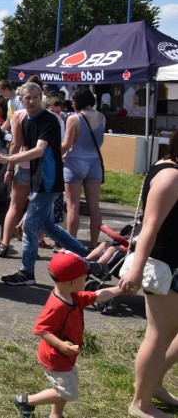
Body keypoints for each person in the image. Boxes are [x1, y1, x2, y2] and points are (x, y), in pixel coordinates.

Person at [0, 82, 89, 286]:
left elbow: (39, 149)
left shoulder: (48, 119)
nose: (33, 100)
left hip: (49, 178)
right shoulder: (24, 119)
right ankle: (87, 255)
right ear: (21, 99)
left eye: (36, 96)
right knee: (47, 226)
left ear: (40, 98)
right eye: (28, 97)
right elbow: (18, 144)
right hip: (38, 178)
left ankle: (26, 272)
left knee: (30, 225)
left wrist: (9, 160)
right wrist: (3, 158)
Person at [11, 252, 121, 418]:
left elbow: (98, 295)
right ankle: (26, 401)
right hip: (55, 357)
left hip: (65, 356)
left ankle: (56, 415)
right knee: (68, 392)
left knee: (65, 386)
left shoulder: (73, 296)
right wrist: (61, 345)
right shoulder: (57, 305)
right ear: (75, 282)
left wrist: (121, 288)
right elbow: (42, 328)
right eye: (85, 278)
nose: (86, 282)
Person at [119, 130, 178, 418]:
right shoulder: (171, 176)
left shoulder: (170, 167)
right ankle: (140, 403)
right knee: (158, 335)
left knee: (168, 333)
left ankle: (153, 384)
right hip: (165, 266)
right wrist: (137, 270)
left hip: (172, 265)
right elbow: (150, 228)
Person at [62, 88, 105, 248]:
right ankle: (94, 243)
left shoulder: (74, 119)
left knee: (73, 206)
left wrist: (52, 150)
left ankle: (70, 244)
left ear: (78, 101)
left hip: (75, 163)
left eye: (73, 100)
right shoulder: (102, 117)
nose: (71, 103)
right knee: (94, 206)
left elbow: (66, 145)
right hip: (95, 163)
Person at [0, 89, 30, 257]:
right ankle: (33, 246)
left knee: (14, 206)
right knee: (41, 209)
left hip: (25, 166)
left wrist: (9, 168)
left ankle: (5, 243)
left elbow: (15, 144)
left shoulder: (20, 115)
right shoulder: (52, 116)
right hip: (45, 168)